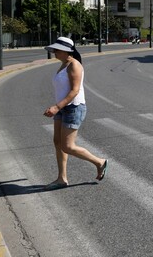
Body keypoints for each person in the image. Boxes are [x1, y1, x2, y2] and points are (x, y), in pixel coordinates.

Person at [43, 37, 108, 190]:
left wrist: (56, 107)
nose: (54, 52)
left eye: (57, 50)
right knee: (58, 143)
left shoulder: (74, 65)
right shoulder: (63, 65)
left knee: (67, 146)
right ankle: (62, 178)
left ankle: (100, 162)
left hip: (73, 108)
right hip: (62, 107)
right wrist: (58, 107)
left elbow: (74, 91)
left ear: (66, 51)